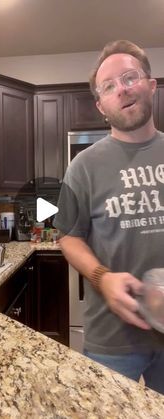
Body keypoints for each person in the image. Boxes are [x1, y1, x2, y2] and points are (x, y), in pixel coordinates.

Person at [53, 40, 164, 394]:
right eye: (109, 86)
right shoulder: (81, 167)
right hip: (111, 339)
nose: (123, 90)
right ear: (101, 105)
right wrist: (103, 277)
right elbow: (68, 236)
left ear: (150, 85)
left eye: (130, 77)